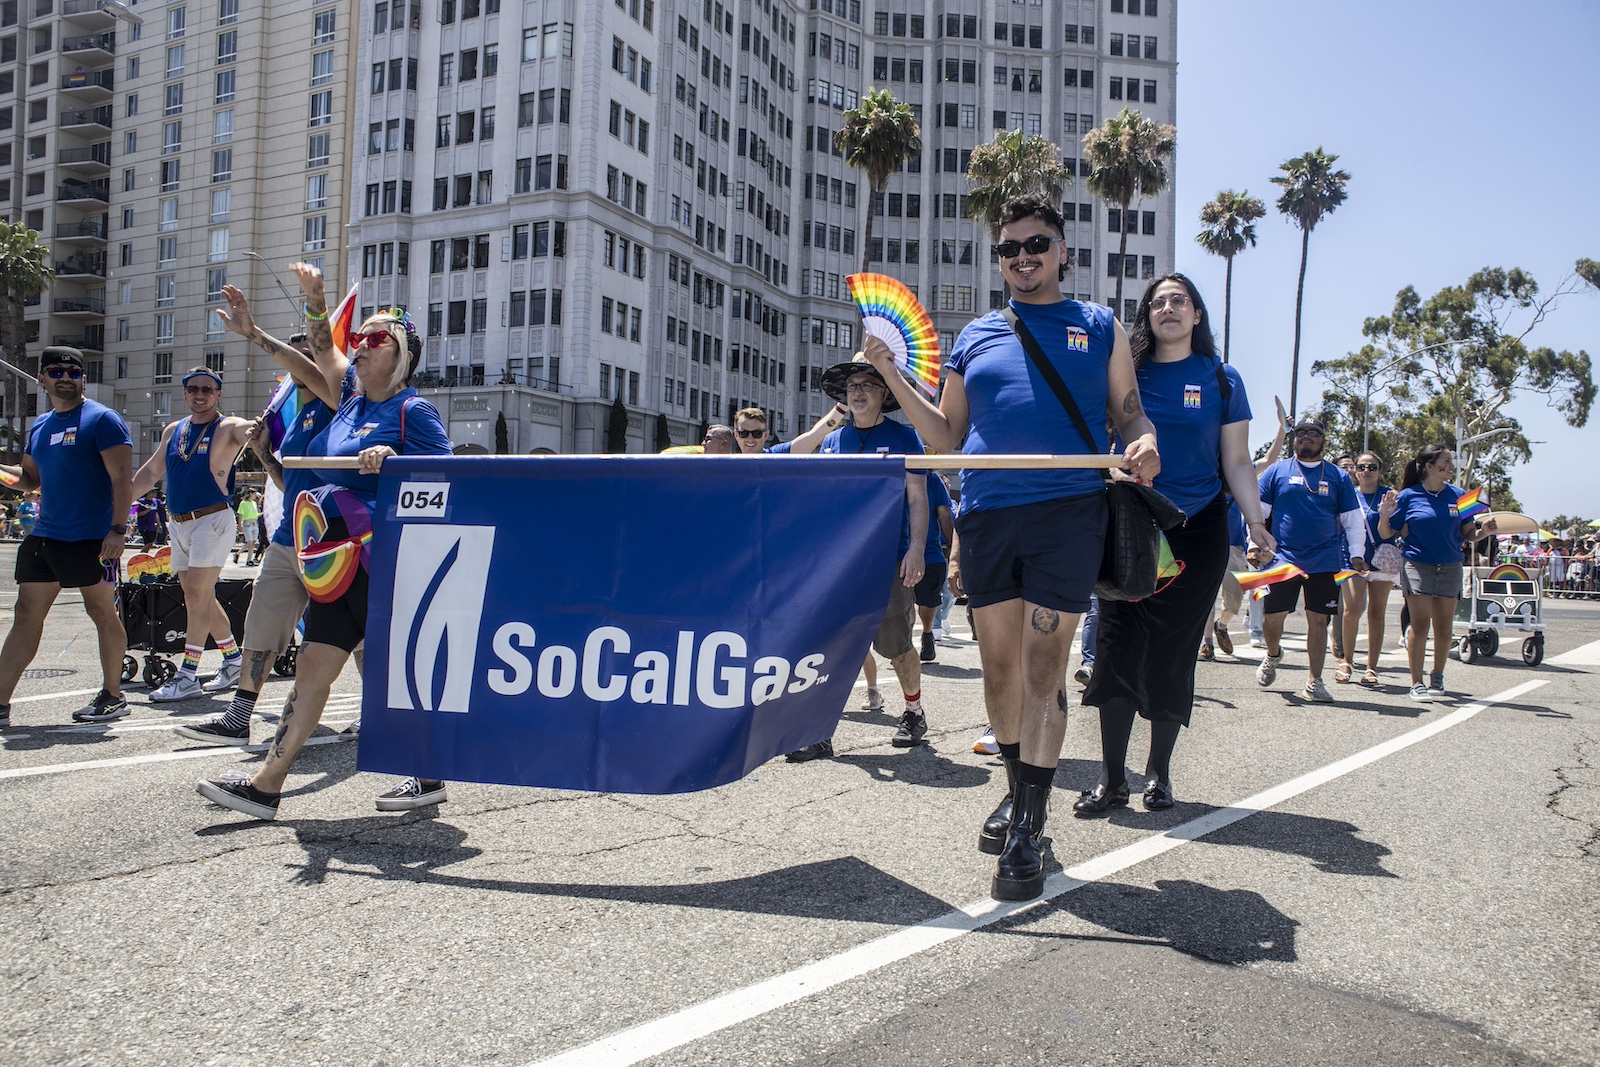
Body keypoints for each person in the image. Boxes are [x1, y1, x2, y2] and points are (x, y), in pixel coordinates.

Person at [863, 197, 1159, 902]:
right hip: (990, 513)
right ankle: (1017, 789)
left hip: (1070, 513)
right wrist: (892, 374)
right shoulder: (978, 334)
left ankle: (1029, 821)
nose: (1022, 258)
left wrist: (1144, 439)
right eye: (1009, 249)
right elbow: (944, 437)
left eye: (1036, 244)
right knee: (999, 671)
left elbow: (1129, 412)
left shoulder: (1100, 326)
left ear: (1062, 249)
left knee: (1043, 666)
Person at [197, 301, 454, 819]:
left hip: (384, 566)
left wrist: (398, 462)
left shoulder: (412, 411)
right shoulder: (349, 403)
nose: (360, 344)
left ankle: (429, 775)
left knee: (393, 677)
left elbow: (447, 482)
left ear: (403, 355)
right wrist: (263, 326)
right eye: (359, 336)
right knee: (313, 668)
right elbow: (317, 349)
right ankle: (267, 784)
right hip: (333, 564)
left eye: (375, 339)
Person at [1076, 274, 1271, 815]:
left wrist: (1254, 523)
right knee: (1115, 645)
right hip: (1130, 524)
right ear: (1147, 316)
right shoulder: (1126, 372)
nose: (1168, 308)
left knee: (1173, 652)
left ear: (1196, 314)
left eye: (1178, 300)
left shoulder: (1222, 378)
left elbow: (1235, 460)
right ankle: (1113, 779)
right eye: (1157, 302)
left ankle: (1158, 774)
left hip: (1199, 530)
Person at [175, 307, 351, 747]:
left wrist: (255, 334)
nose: (291, 367)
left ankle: (374, 714)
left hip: (333, 539)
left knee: (356, 631)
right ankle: (239, 717)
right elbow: (286, 480)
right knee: (262, 620)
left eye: (301, 357)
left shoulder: (341, 406)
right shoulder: (297, 419)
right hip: (291, 536)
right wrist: (264, 450)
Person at [785, 355, 930, 761]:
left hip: (889, 559)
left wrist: (917, 548)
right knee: (834, 646)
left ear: (885, 394)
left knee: (897, 645)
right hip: (841, 564)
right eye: (852, 387)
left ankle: (914, 711)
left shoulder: (905, 438)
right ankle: (821, 730)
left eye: (868, 384)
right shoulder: (833, 441)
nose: (859, 391)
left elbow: (917, 498)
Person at [0, 347, 133, 727]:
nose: (66, 378)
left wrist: (118, 530)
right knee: (25, 615)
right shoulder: (41, 425)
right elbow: (29, 481)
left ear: (83, 380)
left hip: (92, 538)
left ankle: (112, 695)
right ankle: (0, 704)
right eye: (57, 372)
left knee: (102, 613)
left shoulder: (102, 420)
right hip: (46, 536)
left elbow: (122, 479)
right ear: (42, 379)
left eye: (74, 373)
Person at [131, 367, 250, 699]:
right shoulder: (174, 430)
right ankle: (233, 661)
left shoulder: (225, 427)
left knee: (196, 596)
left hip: (211, 519)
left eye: (208, 390)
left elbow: (245, 429)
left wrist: (255, 428)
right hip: (179, 522)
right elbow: (151, 472)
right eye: (194, 389)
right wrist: (114, 509)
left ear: (218, 395)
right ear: (184, 393)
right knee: (198, 596)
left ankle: (187, 675)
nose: (200, 394)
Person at [1252, 416, 1366, 703]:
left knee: (1319, 621)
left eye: (1313, 433)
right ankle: (1273, 653)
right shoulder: (1276, 472)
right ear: (1294, 439)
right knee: (1271, 619)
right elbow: (1257, 515)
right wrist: (1254, 546)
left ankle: (1315, 681)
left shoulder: (1338, 477)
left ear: (1323, 440)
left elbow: (1353, 521)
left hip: (1325, 559)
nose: (1306, 437)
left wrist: (1356, 554)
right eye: (1301, 432)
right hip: (1282, 558)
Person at [1377, 445, 1495, 702]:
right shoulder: (1408, 496)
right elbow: (1387, 534)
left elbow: (1469, 534)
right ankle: (1416, 682)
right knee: (1419, 626)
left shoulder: (1460, 495)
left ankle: (1437, 676)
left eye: (1451, 462)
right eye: (1446, 462)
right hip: (1417, 565)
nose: (1452, 467)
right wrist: (1384, 516)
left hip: (1451, 566)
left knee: (1444, 628)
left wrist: (1484, 532)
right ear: (1429, 466)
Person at [1336, 451, 1402, 687]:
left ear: (1380, 472)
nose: (1366, 471)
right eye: (1361, 467)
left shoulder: (1389, 495)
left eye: (1372, 467)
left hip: (1381, 560)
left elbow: (1387, 534)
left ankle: (1372, 667)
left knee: (1376, 613)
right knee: (1351, 610)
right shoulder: (1347, 495)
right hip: (1351, 558)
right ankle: (1346, 661)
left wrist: (1385, 514)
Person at [917, 471, 956, 662]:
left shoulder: (933, 480)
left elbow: (944, 514)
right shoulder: (890, 475)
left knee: (929, 601)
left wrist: (953, 547)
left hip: (930, 554)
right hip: (895, 553)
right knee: (902, 604)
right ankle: (904, 645)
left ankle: (927, 633)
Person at [233, 488, 260, 564]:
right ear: (250, 494)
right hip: (247, 524)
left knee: (253, 542)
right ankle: (238, 553)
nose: (255, 496)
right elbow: (241, 515)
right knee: (249, 542)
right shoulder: (243, 503)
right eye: (254, 494)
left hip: (254, 524)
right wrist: (240, 526)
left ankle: (249, 560)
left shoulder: (254, 503)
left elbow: (255, 514)